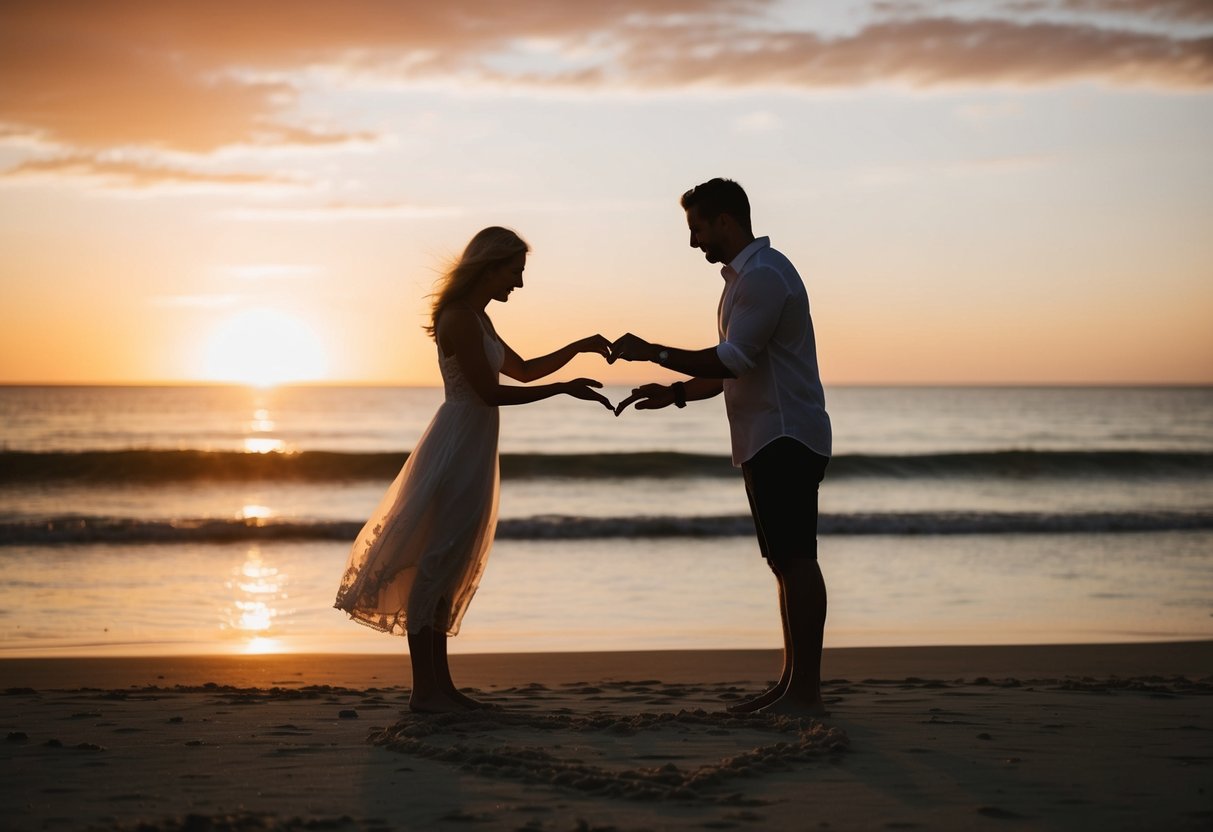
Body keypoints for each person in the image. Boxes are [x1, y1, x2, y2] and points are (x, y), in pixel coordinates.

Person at [334, 226, 612, 713]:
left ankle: (442, 689)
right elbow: (489, 391)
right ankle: (426, 693)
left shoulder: (479, 318)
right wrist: (563, 390)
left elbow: (521, 370)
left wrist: (580, 347)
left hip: (475, 445)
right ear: (490, 265)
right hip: (458, 443)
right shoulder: (459, 318)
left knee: (451, 562)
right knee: (435, 563)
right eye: (514, 272)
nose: (518, 285)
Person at [611, 178, 832, 716]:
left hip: (785, 435)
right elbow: (737, 364)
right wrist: (678, 394)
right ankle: (791, 684)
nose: (694, 242)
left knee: (797, 561)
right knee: (784, 562)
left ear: (726, 221)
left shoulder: (763, 276)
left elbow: (732, 360)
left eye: (698, 228)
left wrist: (653, 352)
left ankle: (804, 691)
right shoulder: (745, 279)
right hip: (766, 436)